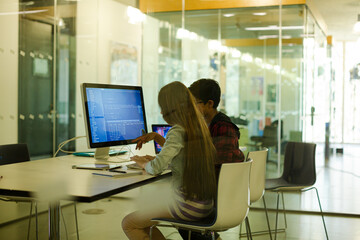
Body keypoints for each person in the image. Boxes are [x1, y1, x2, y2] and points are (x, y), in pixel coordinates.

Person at [121, 81, 217, 240]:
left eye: (163, 107)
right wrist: (158, 138)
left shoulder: (177, 130)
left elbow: (156, 168)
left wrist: (143, 163)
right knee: (148, 211)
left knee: (129, 223)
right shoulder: (198, 126)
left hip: (186, 206)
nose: (161, 112)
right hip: (204, 205)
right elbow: (183, 156)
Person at [177, 78, 245, 240]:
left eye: (195, 103)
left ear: (209, 103)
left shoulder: (223, 127)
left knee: (179, 211)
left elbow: (219, 164)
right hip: (212, 193)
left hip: (219, 197)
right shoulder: (208, 125)